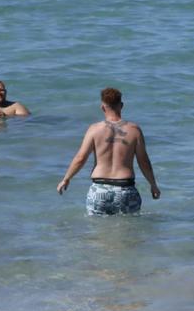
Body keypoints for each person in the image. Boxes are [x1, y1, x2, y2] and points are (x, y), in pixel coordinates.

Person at [56, 86, 158, 215]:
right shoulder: (134, 130)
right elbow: (143, 161)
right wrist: (153, 184)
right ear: (121, 105)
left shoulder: (94, 129)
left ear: (102, 107)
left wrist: (66, 179)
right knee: (129, 233)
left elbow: (80, 158)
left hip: (99, 190)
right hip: (125, 190)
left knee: (97, 233)